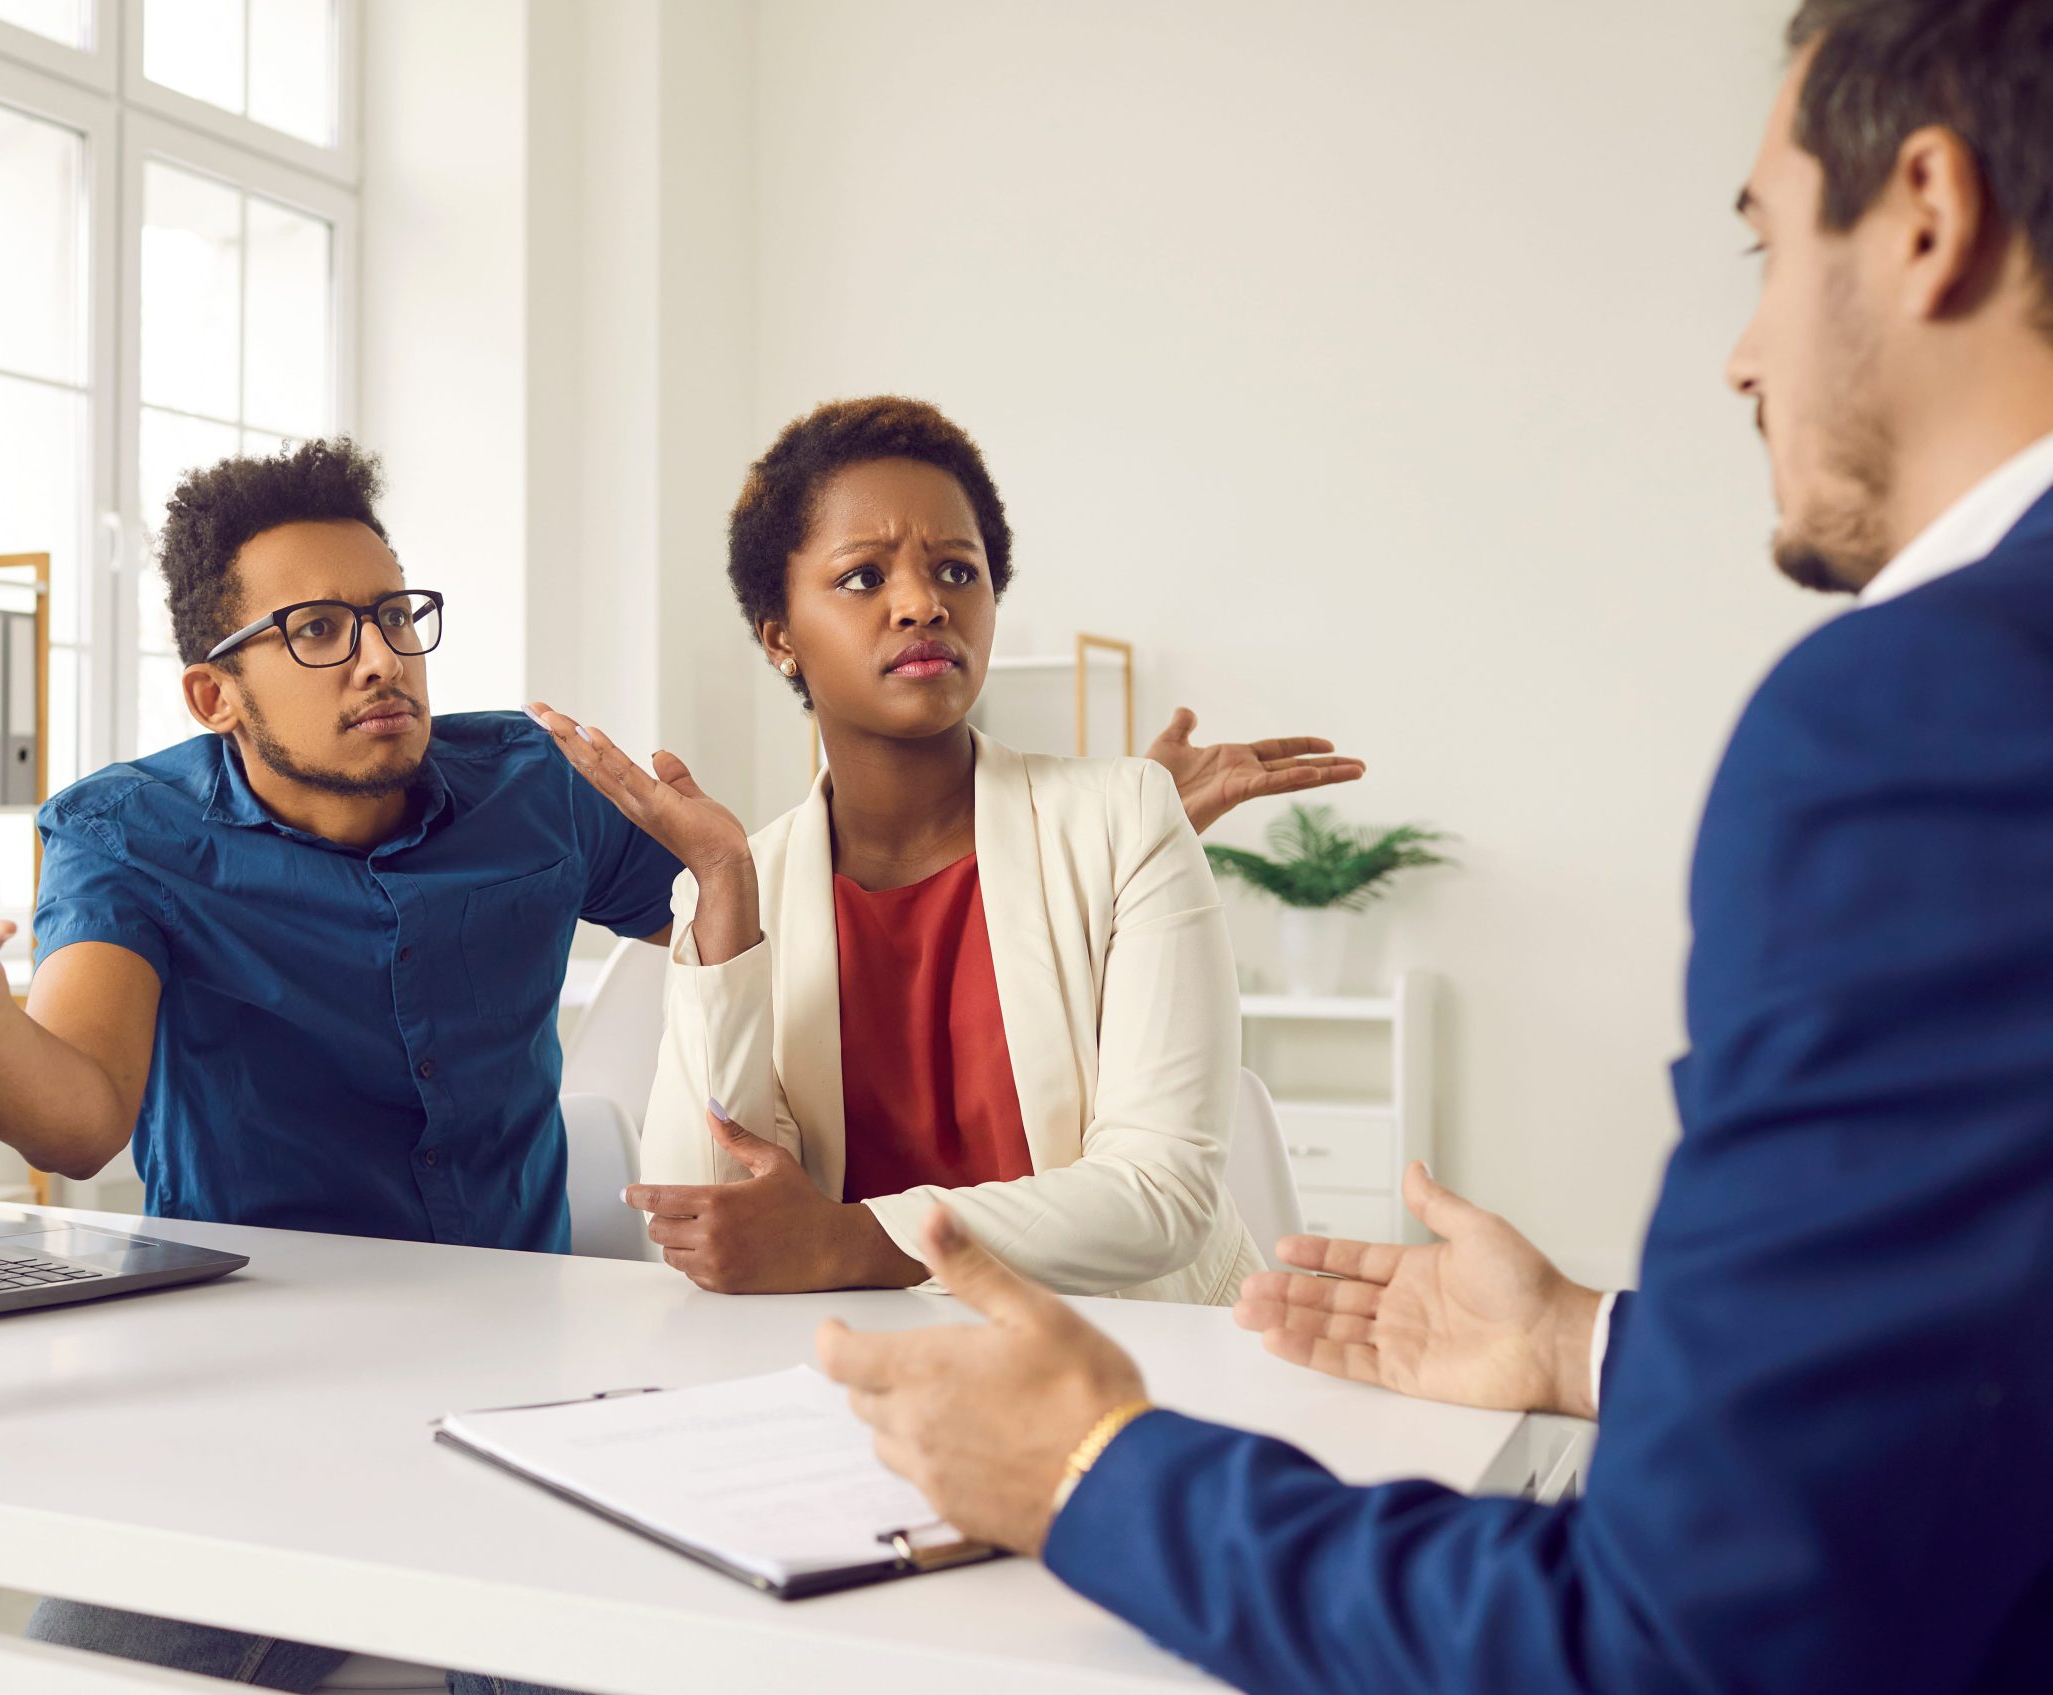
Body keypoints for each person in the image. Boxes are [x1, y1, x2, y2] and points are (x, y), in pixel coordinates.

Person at [818, 3, 2053, 1690]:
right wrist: (1588, 1342)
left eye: (1766, 246)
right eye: (861, 580)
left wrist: (1093, 1475)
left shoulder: (1931, 718)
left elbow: (1685, 1647)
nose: (1741, 354)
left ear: (1927, 210)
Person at [0, 439, 682, 1694]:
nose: (383, 657)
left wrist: (739, 879)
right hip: (260, 1379)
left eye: (394, 615)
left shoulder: (539, 786)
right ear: (213, 696)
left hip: (529, 1366)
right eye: (320, 630)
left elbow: (763, 963)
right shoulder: (130, 833)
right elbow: (78, 1116)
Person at [534, 398, 1361, 1301]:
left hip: (1137, 1361)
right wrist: (724, 891)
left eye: (957, 570)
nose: (924, 602)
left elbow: (1160, 1199)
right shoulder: (741, 888)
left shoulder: (1126, 817)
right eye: (862, 577)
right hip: (867, 1375)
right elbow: (706, 1226)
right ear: (779, 636)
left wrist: (848, 1241)